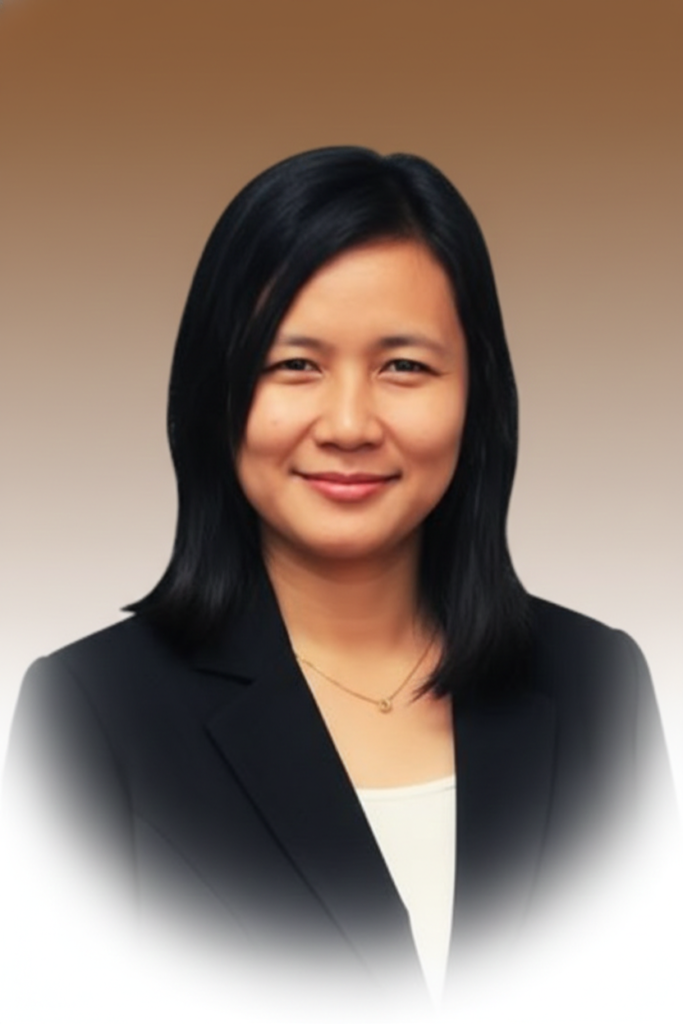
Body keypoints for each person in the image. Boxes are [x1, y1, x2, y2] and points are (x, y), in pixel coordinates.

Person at [2, 147, 677, 1021]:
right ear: (216, 394)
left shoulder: (598, 683)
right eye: (294, 365)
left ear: (476, 397)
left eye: (404, 366)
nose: (350, 424)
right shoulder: (90, 712)